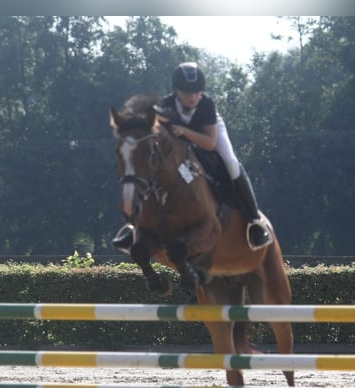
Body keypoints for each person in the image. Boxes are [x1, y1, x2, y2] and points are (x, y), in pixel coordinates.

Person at [112, 62, 273, 253]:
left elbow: (210, 143)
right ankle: (135, 227)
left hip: (207, 135)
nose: (194, 97)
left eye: (197, 92)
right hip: (182, 146)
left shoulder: (206, 105)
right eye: (188, 92)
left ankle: (254, 221)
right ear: (177, 91)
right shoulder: (164, 107)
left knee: (230, 162)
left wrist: (184, 131)